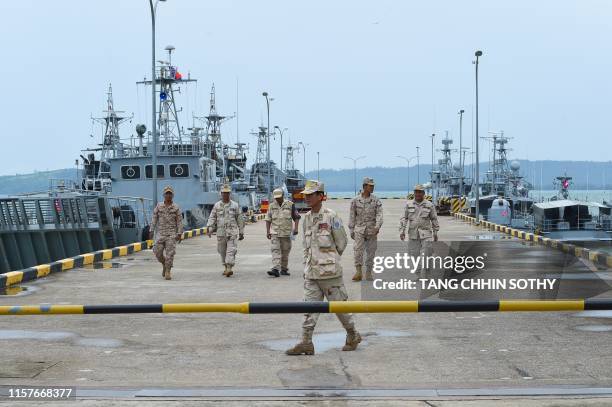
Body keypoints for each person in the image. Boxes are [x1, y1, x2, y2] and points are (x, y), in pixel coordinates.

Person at [286, 180, 361, 356]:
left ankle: (353, 335)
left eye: (311, 194)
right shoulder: (307, 218)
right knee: (308, 309)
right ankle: (306, 342)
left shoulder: (331, 216)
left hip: (329, 274)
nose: (307, 197)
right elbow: (306, 246)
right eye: (306, 195)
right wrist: (308, 264)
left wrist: (329, 260)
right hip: (312, 273)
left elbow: (341, 242)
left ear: (321, 196)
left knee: (340, 309)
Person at [348, 177, 383, 281]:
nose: (372, 187)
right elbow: (352, 216)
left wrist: (377, 226)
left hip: (372, 229)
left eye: (373, 186)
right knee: (358, 250)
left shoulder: (376, 200)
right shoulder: (355, 200)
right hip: (359, 229)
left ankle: (368, 272)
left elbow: (379, 214)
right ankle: (358, 271)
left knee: (371, 252)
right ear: (364, 186)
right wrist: (351, 229)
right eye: (370, 186)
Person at [206, 184, 245, 277]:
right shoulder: (217, 205)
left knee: (231, 250)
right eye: (224, 193)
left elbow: (240, 219)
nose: (225, 195)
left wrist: (241, 232)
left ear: (229, 194)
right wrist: (210, 228)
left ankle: (229, 267)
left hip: (232, 232)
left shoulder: (235, 205)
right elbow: (212, 217)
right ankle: (225, 266)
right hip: (221, 232)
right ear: (221, 194)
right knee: (222, 251)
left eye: (227, 193)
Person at [399, 184, 440, 271]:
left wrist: (435, 232)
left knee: (426, 253)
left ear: (423, 193)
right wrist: (402, 231)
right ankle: (418, 274)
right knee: (414, 254)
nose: (417, 194)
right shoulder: (408, 204)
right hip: (413, 234)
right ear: (414, 193)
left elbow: (434, 219)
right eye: (416, 192)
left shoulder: (429, 205)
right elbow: (404, 218)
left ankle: (426, 273)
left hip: (426, 234)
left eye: (420, 192)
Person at [150, 185, 183, 280]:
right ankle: (164, 263)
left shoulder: (176, 207)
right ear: (164, 195)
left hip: (171, 234)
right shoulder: (159, 206)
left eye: (170, 194)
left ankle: (168, 270)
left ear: (172, 195)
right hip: (160, 234)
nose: (168, 195)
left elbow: (179, 221)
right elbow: (154, 218)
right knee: (157, 252)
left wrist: (179, 233)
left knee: (170, 254)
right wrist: (151, 230)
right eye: (166, 194)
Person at [266, 188, 301, 277]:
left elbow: (296, 217)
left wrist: (296, 229)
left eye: (279, 197)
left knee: (285, 252)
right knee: (275, 250)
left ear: (283, 195)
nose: (277, 199)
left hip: (286, 233)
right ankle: (275, 269)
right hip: (275, 232)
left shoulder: (290, 205)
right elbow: (268, 219)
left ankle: (284, 269)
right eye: (276, 198)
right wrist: (268, 231)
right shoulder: (271, 206)